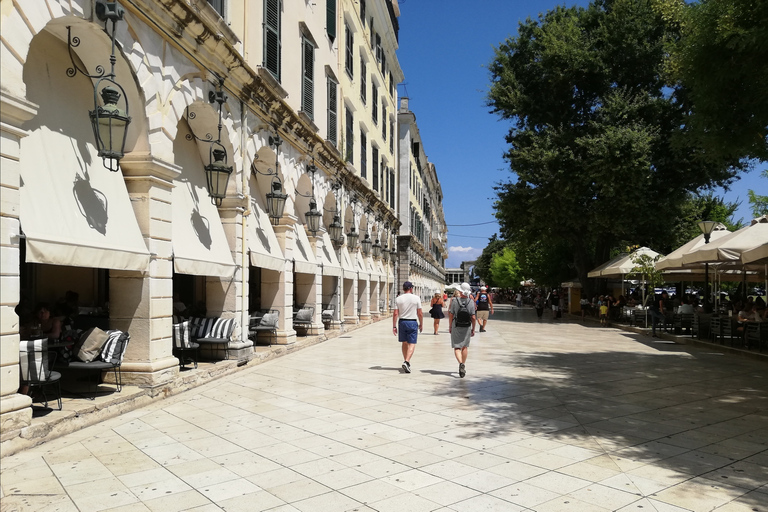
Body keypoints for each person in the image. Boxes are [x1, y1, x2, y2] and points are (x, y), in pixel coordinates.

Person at [393, 281, 423, 373]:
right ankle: (406, 361)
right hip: (412, 322)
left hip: (402, 322)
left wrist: (394, 326)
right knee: (412, 343)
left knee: (404, 343)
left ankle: (407, 361)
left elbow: (395, 313)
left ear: (403, 289)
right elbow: (420, 313)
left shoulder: (398, 299)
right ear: (411, 288)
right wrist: (421, 323)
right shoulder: (416, 298)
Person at [449, 282, 476, 378]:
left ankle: (460, 363)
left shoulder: (454, 300)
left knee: (457, 347)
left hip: (456, 324)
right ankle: (463, 364)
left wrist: (450, 326)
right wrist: (473, 328)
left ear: (460, 291)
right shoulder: (471, 301)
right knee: (464, 346)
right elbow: (473, 317)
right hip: (467, 326)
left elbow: (451, 314)